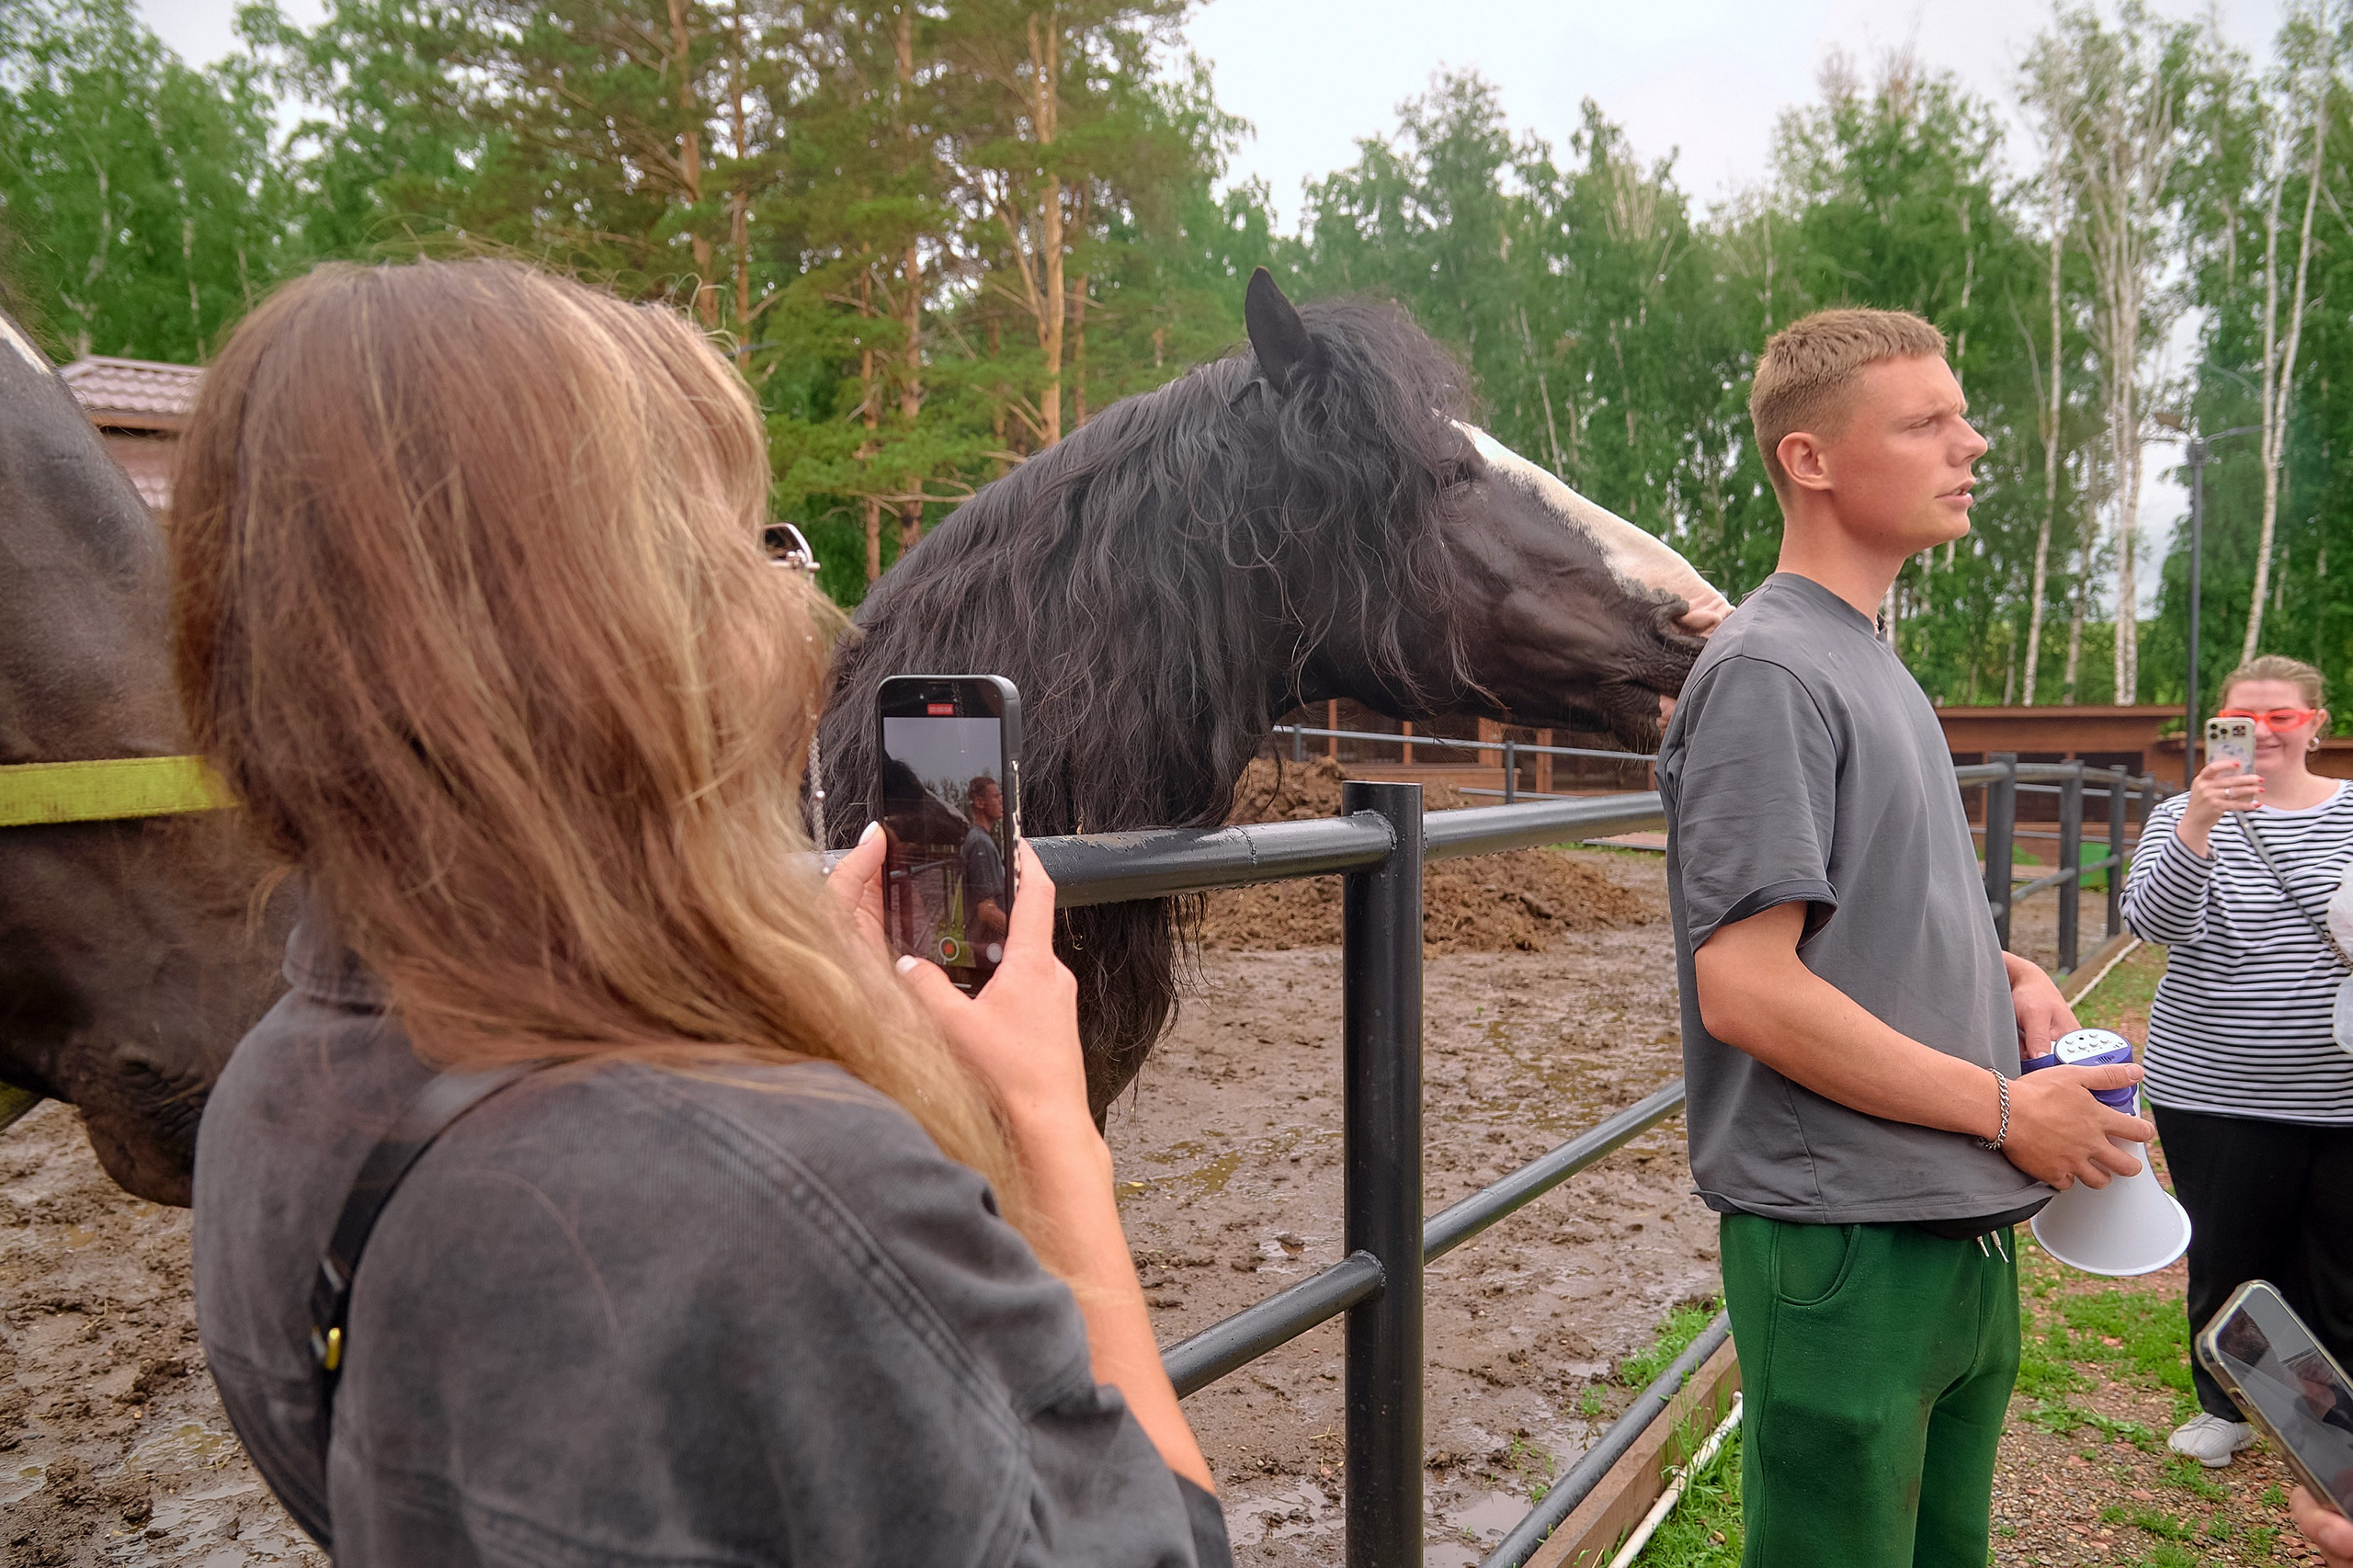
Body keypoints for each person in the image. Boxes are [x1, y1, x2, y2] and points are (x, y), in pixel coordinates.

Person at [174, 258, 1229, 1566]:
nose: (798, 594)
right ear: (612, 632)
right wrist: (1053, 1155)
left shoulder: (266, 1098)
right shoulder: (794, 1200)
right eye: (749, 541)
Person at [1659, 307, 2154, 1567]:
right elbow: (1748, 987)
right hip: (1847, 1245)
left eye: (1961, 416)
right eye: (1925, 421)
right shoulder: (1770, 667)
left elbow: (1858, 917)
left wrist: (2008, 977)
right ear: (1810, 459)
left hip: (1946, 1232)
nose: (1971, 443)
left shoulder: (1870, 657)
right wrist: (2004, 1107)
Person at [2120, 653, 2353, 1469]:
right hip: (2215, 1085)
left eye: (2282, 718)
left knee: (2337, 1261)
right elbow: (2153, 923)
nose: (2262, 735)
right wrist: (2198, 827)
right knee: (2228, 1251)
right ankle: (2230, 1406)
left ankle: (2328, 1422)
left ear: (2317, 725)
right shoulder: (2182, 813)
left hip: (2339, 1086)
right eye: (2241, 722)